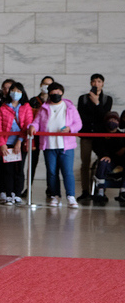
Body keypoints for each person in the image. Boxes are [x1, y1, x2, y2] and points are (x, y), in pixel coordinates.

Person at [28, 82, 82, 208]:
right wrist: (31, 126)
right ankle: (55, 196)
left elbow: (78, 124)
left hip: (66, 146)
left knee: (67, 171)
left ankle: (71, 196)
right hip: (49, 145)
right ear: (49, 93)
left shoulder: (69, 107)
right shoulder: (43, 108)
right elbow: (37, 122)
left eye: (58, 92)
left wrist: (70, 128)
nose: (55, 94)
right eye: (53, 92)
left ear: (62, 93)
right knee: (52, 172)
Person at [0, 82, 33, 205]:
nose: (15, 94)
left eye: (18, 91)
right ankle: (9, 194)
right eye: (13, 91)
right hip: (7, 143)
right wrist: (2, 144)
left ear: (22, 93)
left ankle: (17, 193)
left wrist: (20, 141)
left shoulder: (26, 107)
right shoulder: (3, 107)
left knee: (19, 169)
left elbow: (28, 124)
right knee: (8, 170)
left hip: (20, 143)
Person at [76, 73, 113, 202]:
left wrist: (97, 103)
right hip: (86, 135)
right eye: (94, 81)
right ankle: (85, 191)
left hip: (101, 136)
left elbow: (105, 117)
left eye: (99, 81)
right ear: (90, 83)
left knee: (102, 162)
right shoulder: (83, 98)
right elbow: (82, 116)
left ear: (102, 83)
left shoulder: (107, 99)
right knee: (85, 164)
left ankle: (100, 190)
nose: (96, 84)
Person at [91, 112, 125, 205]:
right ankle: (100, 192)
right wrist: (105, 154)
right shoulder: (100, 135)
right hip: (107, 160)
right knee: (103, 162)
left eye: (115, 120)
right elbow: (97, 147)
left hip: (120, 161)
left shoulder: (121, 135)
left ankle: (123, 191)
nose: (112, 122)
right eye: (110, 120)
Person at [28, 75, 54, 192]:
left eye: (49, 84)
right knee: (32, 164)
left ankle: (50, 188)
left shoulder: (54, 101)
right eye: (45, 84)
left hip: (49, 137)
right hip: (35, 136)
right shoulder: (33, 100)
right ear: (40, 85)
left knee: (50, 165)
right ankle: (28, 188)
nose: (46, 87)